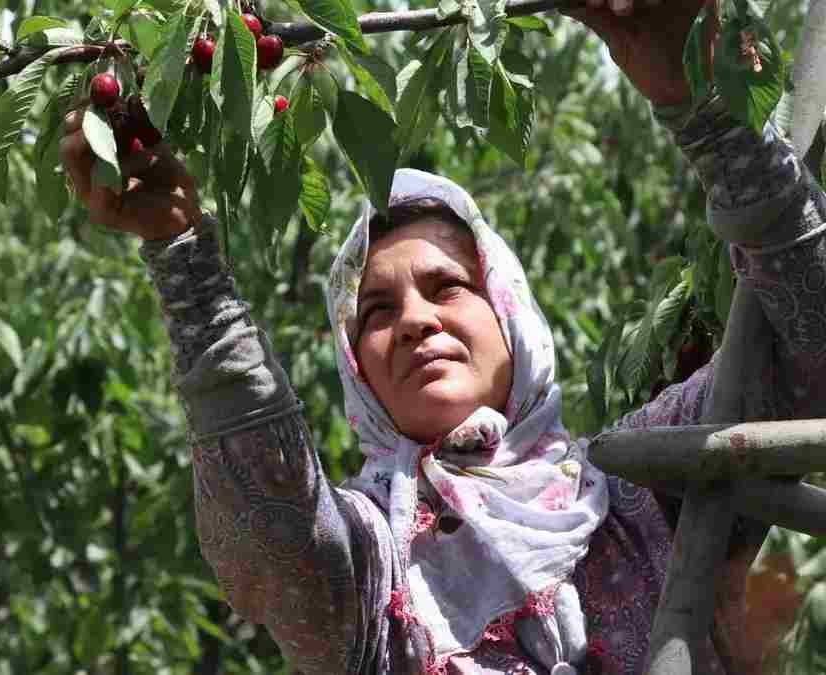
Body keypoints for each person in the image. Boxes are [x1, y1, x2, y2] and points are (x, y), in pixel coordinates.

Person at [59, 0, 826, 670]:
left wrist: (705, 111)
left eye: (448, 287)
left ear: (511, 317)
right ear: (357, 371)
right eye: (378, 312)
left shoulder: (635, 487)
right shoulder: (370, 565)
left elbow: (812, 336)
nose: (416, 321)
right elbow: (269, 527)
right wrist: (184, 257)